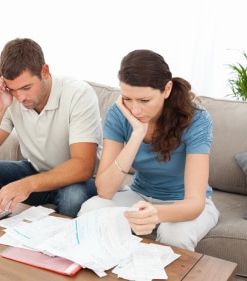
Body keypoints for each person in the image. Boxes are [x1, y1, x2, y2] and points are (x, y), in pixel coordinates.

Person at [78, 49, 219, 251]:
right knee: (90, 211)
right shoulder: (119, 114)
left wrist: (154, 213)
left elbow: (195, 202)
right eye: (127, 98)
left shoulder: (196, 119)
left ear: (167, 89)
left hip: (184, 203)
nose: (135, 110)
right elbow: (105, 190)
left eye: (144, 101)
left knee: (174, 236)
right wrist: (136, 135)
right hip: (140, 195)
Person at [0, 38, 102, 218]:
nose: (20, 98)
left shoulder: (78, 94)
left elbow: (83, 166)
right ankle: (1, 241)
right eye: (13, 89)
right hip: (37, 171)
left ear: (45, 71)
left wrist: (27, 185)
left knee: (72, 197)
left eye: (26, 87)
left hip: (79, 180)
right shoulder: (11, 98)